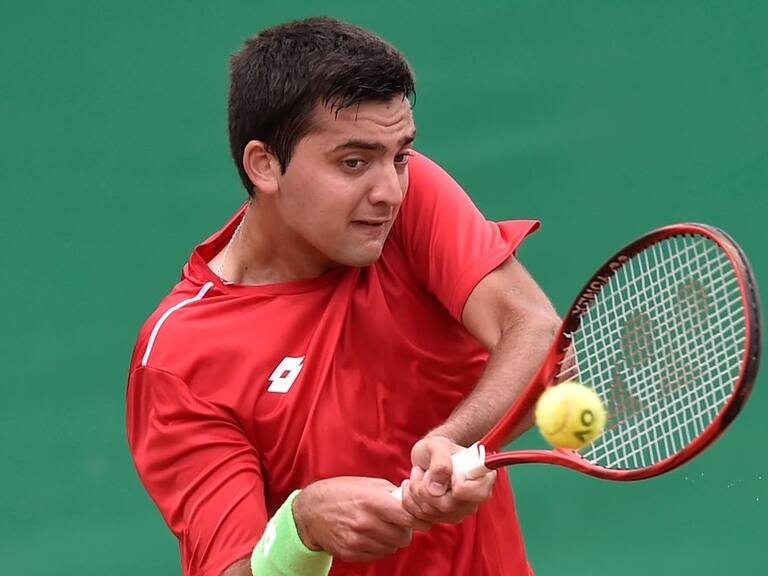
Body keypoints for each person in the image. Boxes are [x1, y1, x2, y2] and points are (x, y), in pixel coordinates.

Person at [126, 16, 559, 576]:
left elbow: (531, 328)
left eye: (399, 154)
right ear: (265, 166)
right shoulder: (179, 360)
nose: (388, 190)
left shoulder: (408, 201)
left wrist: (454, 439)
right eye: (352, 162)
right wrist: (301, 528)